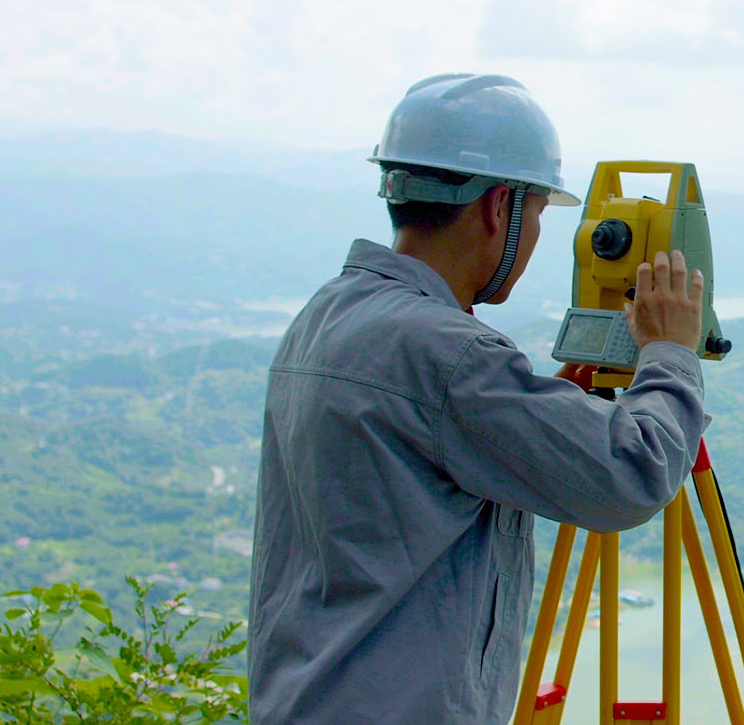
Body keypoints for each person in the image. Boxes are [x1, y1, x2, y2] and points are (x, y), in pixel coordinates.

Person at [247, 73, 711, 724]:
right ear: (499, 207)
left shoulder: (328, 313)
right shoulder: (450, 356)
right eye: (539, 212)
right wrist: (670, 353)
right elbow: (632, 475)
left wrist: (536, 413)